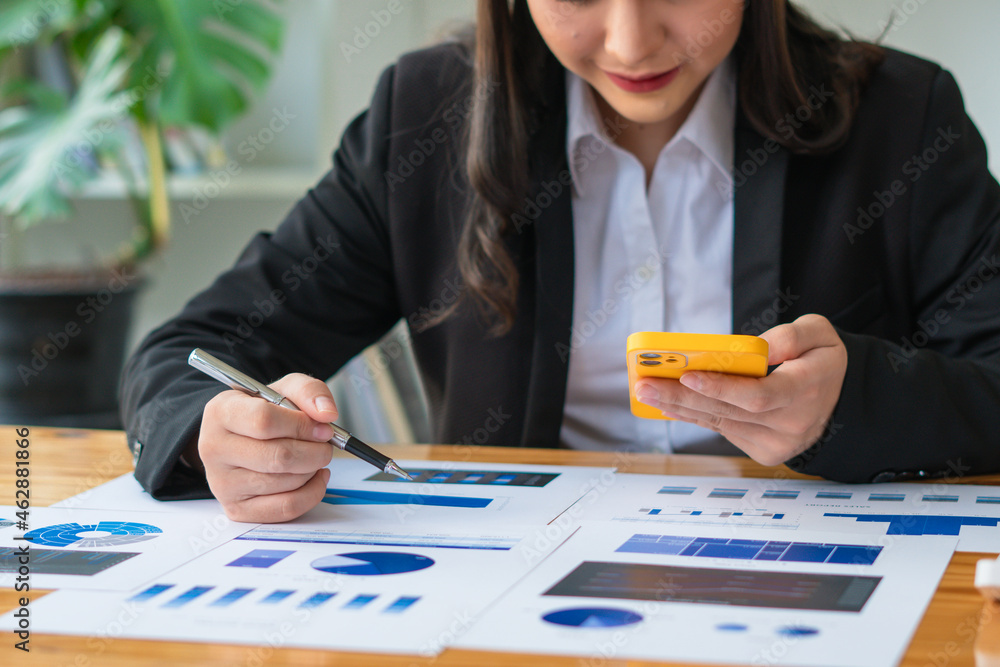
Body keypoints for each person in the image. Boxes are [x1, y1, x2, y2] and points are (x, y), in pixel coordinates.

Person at [120, 0, 1000, 523]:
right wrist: (218, 433)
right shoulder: (422, 119)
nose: (629, 43)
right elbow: (188, 351)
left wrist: (849, 406)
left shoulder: (902, 120)